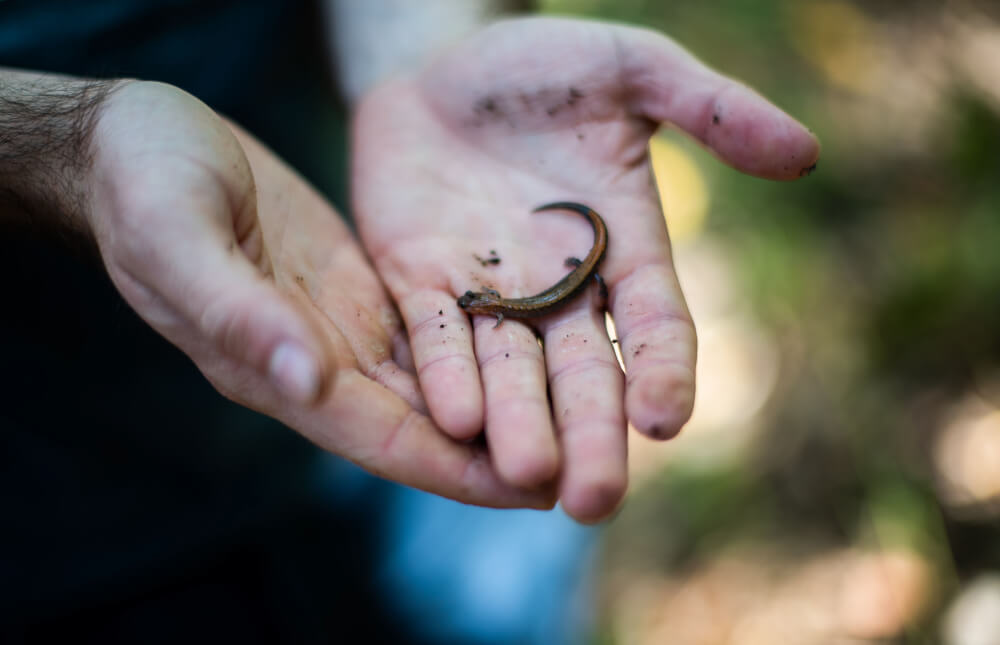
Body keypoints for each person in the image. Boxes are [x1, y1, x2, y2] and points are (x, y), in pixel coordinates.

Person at [0, 0, 819, 640]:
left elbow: (535, 300)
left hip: (297, 397)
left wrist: (424, 41)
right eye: (478, 306)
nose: (478, 308)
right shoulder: (502, 306)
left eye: (478, 304)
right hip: (69, 522)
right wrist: (56, 145)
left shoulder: (520, 303)